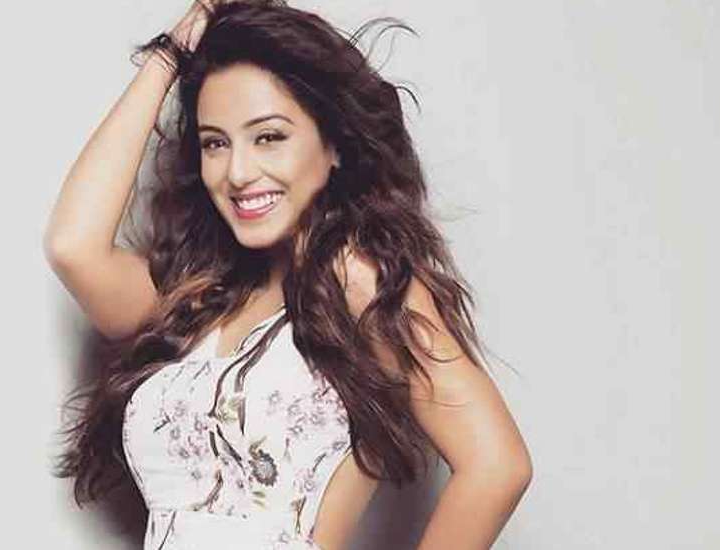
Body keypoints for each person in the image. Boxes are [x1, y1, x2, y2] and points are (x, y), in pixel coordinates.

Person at [43, 1, 532, 548]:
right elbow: (73, 247)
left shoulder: (360, 281)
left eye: (269, 137)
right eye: (215, 143)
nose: (238, 172)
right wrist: (171, 55)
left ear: (334, 146)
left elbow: (497, 465)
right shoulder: (196, 298)